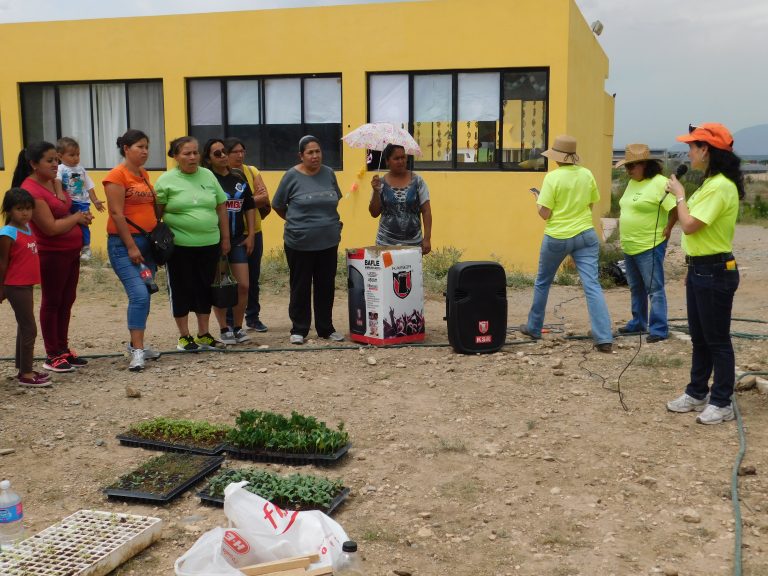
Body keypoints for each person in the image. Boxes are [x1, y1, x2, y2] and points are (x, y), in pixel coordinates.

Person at [665, 123, 743, 425]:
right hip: (700, 269)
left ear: (706, 150)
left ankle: (722, 401)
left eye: (692, 147)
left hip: (715, 272)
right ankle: (697, 392)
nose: (688, 152)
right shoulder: (711, 183)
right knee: (699, 337)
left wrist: (680, 195)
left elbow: (690, 225)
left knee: (717, 339)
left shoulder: (721, 186)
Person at [519, 134, 613, 352]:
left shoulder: (553, 178)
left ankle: (534, 327)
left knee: (543, 282)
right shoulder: (586, 174)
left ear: (556, 157)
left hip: (558, 236)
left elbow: (545, 213)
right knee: (592, 285)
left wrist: (537, 201)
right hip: (586, 235)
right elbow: (590, 205)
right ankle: (604, 337)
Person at [12, 141, 92, 372]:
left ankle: (63, 349)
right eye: (50, 161)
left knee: (67, 301)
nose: (56, 164)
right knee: (52, 302)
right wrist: (76, 219)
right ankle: (52, 354)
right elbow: (50, 227)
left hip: (70, 251)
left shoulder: (53, 182)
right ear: (34, 164)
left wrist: (60, 189)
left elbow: (66, 206)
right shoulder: (31, 191)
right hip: (51, 254)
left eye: (57, 159)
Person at [155, 136, 230, 352]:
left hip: (210, 244)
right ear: (176, 156)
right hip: (179, 247)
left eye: (195, 152)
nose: (193, 157)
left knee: (204, 288)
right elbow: (156, 214)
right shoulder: (166, 180)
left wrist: (225, 239)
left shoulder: (208, 175)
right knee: (181, 288)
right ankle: (184, 336)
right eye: (187, 153)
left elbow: (221, 207)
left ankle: (204, 334)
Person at [272, 135, 344, 345]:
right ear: (301, 155)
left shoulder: (329, 173)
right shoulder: (291, 176)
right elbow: (278, 205)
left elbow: (334, 198)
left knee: (326, 285)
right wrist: (297, 222)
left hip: (328, 241)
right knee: (300, 285)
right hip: (299, 242)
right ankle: (299, 329)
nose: (315, 156)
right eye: (310, 152)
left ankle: (326, 328)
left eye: (318, 151)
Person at [103, 129, 162, 371]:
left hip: (147, 244)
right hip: (124, 244)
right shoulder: (116, 176)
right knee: (138, 294)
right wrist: (130, 246)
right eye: (140, 146)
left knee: (146, 294)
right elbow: (116, 213)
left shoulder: (143, 174)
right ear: (126, 149)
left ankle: (136, 344)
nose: (145, 151)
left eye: (147, 146)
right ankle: (137, 352)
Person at [615, 143, 677, 343]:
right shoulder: (633, 182)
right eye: (627, 167)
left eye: (631, 166)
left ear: (644, 165)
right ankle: (638, 322)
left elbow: (675, 207)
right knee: (636, 287)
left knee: (654, 288)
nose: (628, 171)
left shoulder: (660, 183)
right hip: (630, 244)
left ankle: (659, 328)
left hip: (650, 244)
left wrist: (669, 227)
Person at [201, 138, 255, 345]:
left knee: (243, 285)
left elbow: (249, 205)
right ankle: (224, 328)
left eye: (224, 151)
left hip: (238, 240)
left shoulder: (239, 177)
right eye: (217, 153)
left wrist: (251, 234)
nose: (223, 156)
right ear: (208, 159)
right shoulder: (207, 179)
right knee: (220, 286)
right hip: (215, 241)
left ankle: (239, 328)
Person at [0, 188, 49, 386]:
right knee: (30, 328)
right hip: (15, 285)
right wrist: (1, 288)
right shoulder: (7, 233)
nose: (25, 213)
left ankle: (23, 368)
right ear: (9, 210)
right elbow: (2, 263)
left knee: (24, 326)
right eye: (20, 209)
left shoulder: (27, 228)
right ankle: (27, 375)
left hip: (27, 284)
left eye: (28, 209)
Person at [224, 137, 271, 332]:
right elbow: (252, 200)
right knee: (231, 280)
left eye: (242, 151)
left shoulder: (252, 171)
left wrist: (242, 201)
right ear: (225, 154)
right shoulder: (220, 175)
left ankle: (252, 316)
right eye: (235, 152)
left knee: (253, 277)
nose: (240, 155)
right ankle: (230, 320)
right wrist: (251, 200)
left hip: (254, 232)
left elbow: (265, 198)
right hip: (231, 235)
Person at [369, 144, 432, 254]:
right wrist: (375, 191)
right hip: (386, 244)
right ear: (387, 161)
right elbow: (374, 213)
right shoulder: (380, 183)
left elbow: (426, 211)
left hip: (413, 244)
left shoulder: (417, 181)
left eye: (403, 157)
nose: (401, 161)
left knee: (410, 272)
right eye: (396, 158)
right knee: (387, 271)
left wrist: (427, 238)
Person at [56, 137, 105, 261]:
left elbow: (89, 186)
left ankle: (86, 247)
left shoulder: (81, 169)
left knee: (84, 224)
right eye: (72, 155)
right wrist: (59, 194)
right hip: (69, 201)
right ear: (60, 156)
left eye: (78, 154)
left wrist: (95, 201)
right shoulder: (60, 168)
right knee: (68, 224)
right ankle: (69, 247)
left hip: (82, 202)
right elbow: (57, 180)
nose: (76, 158)